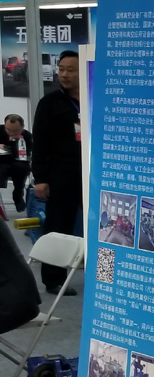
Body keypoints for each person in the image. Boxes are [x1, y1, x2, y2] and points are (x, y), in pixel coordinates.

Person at [32, 50, 83, 295]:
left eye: (70, 70)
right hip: (61, 174)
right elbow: (39, 143)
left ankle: (103, 274)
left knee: (103, 228)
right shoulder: (50, 103)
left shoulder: (96, 100)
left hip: (93, 174)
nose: (63, 74)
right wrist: (40, 178)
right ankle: (53, 280)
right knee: (58, 227)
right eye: (61, 69)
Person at [0, 113, 33, 212]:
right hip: (1, 162)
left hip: (17, 162)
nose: (11, 133)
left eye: (15, 131)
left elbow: (26, 153)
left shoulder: (27, 136)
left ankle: (18, 195)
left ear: (22, 127)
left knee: (21, 168)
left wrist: (15, 142)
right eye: (8, 130)